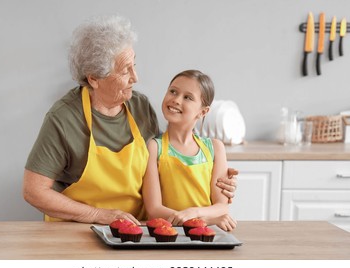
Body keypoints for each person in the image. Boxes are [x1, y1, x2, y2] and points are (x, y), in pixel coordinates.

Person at [22, 15, 237, 225]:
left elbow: (165, 163)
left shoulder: (140, 106)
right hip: (77, 229)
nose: (136, 77)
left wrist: (217, 180)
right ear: (94, 79)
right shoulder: (64, 118)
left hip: (135, 229)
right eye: (126, 71)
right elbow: (34, 191)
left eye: (134, 65)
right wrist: (97, 214)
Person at [143, 70, 236, 231]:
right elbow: (154, 210)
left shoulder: (215, 148)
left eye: (188, 97)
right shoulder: (154, 147)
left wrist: (193, 213)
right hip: (168, 235)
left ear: (203, 112)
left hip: (206, 235)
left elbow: (222, 206)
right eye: (173, 91)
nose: (176, 100)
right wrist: (205, 220)